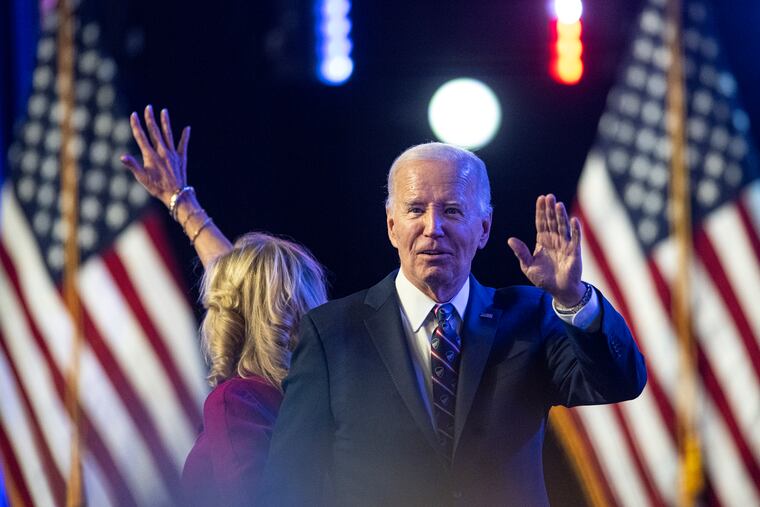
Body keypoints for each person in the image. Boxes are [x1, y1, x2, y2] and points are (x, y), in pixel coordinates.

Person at [259, 142, 647, 506]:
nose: (433, 227)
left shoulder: (531, 316)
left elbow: (619, 382)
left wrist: (572, 297)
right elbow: (291, 479)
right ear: (392, 226)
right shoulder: (331, 332)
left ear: (484, 229)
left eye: (452, 210)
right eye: (415, 210)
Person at [120, 106, 328, 507]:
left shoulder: (239, 401)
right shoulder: (324, 396)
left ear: (225, 312)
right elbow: (240, 284)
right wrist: (181, 202)